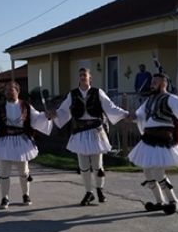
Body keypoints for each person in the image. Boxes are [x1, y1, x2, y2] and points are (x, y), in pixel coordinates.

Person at [53, 67, 130, 206]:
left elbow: (110, 107)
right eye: (81, 75)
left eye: (85, 75)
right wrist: (54, 114)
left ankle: (100, 190)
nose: (82, 77)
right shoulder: (73, 94)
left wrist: (125, 114)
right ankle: (88, 192)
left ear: (90, 78)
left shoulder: (97, 92)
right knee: (83, 165)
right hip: (80, 132)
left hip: (96, 132)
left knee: (97, 165)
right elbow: (63, 111)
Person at [128, 72, 178, 214]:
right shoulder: (149, 100)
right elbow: (140, 114)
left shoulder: (171, 99)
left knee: (158, 172)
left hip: (162, 140)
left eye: (155, 82)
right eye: (152, 82)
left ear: (164, 83)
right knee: (147, 171)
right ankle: (160, 201)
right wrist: (131, 116)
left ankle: (173, 200)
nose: (152, 84)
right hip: (148, 139)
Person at [0, 81, 52, 209]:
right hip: (5, 142)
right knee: (4, 171)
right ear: (4, 93)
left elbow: (37, 118)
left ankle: (26, 195)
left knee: (24, 171)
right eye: (7, 90)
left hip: (22, 142)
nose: (9, 92)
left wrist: (46, 116)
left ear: (17, 91)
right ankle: (5, 198)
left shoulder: (26, 106)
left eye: (12, 89)